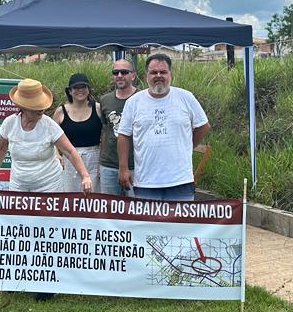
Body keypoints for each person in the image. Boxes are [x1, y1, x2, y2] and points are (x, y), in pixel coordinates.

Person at [117, 53, 210, 202]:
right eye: (154, 72)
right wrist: (123, 168)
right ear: (146, 75)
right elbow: (124, 136)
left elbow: (203, 126)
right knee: (148, 225)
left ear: (170, 74)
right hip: (146, 181)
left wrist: (188, 146)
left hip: (181, 180)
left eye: (163, 72)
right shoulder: (133, 102)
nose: (158, 75)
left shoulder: (186, 97)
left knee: (181, 224)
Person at [0, 78, 93, 194]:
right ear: (23, 107)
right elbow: (1, 149)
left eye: (42, 106)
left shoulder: (49, 125)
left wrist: (85, 176)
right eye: (35, 108)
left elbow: (70, 152)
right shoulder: (9, 123)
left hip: (49, 185)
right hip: (19, 184)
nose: (41, 110)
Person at [53, 73, 102, 193]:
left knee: (94, 198)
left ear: (88, 90)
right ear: (70, 91)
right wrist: (57, 154)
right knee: (70, 199)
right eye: (76, 88)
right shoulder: (60, 112)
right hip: (69, 160)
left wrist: (102, 160)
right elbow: (52, 137)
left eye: (83, 87)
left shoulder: (98, 109)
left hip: (94, 159)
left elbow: (106, 135)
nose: (80, 90)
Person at [98, 58, 137, 195]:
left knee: (136, 211)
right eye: (116, 72)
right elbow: (104, 131)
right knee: (109, 211)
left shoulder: (142, 99)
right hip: (108, 165)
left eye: (124, 72)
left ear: (133, 75)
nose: (119, 75)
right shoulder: (105, 100)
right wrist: (100, 162)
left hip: (135, 166)